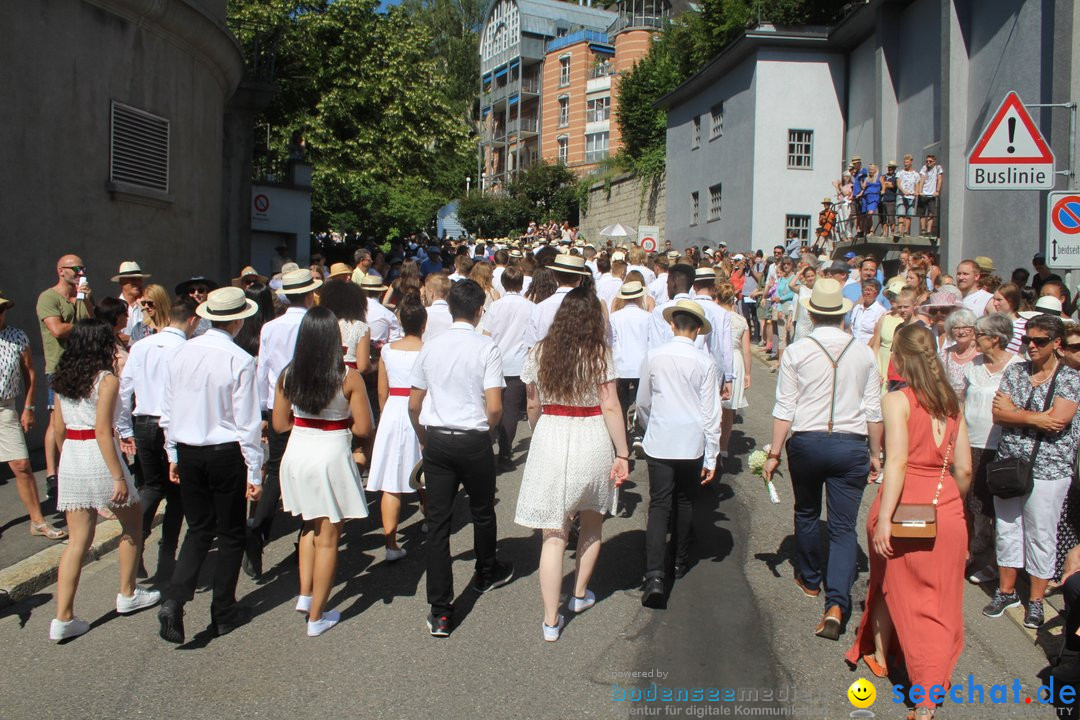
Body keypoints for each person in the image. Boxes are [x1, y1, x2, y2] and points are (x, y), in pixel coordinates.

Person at [845, 323, 971, 717]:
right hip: (945, 506)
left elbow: (896, 460)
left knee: (897, 590)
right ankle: (889, 657)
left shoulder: (897, 400)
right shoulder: (952, 402)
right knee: (939, 601)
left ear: (897, 358)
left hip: (902, 506)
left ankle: (921, 692)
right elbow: (964, 469)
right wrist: (949, 501)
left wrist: (885, 518)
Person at [763, 279, 883, 640]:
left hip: (807, 442)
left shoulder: (798, 352)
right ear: (843, 316)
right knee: (844, 527)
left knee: (807, 511)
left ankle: (811, 578)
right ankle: (836, 602)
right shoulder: (863, 353)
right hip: (852, 442)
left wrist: (772, 452)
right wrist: (876, 454)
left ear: (812, 314)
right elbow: (873, 409)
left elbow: (785, 406)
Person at [514, 288, 629, 640]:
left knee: (553, 534)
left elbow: (532, 404)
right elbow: (610, 406)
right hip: (591, 434)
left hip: (552, 432)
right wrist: (623, 452)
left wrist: (539, 429)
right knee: (592, 521)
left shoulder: (539, 352)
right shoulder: (599, 354)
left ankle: (551, 620)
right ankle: (578, 594)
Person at [157, 287, 264, 644]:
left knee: (199, 528)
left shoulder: (181, 353)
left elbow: (168, 409)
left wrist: (172, 453)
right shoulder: (239, 359)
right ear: (238, 319)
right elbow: (247, 422)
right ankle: (223, 610)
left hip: (188, 449)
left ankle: (175, 597)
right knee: (231, 532)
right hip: (224, 451)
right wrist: (255, 470)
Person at [408, 280, 514, 637]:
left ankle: (441, 610)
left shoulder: (431, 347)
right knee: (483, 511)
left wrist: (424, 438)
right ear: (480, 310)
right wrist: (488, 430)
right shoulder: (487, 347)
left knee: (438, 524)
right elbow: (495, 407)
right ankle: (486, 573)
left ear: (450, 308)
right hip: (473, 438)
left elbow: (414, 403)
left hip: (437, 439)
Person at [50, 320, 158, 641]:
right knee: (133, 522)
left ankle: (63, 617)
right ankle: (127, 592)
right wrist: (117, 475)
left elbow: (57, 428)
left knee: (77, 541)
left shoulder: (63, 379)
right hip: (100, 454)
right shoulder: (105, 379)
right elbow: (102, 431)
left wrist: (66, 461)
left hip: (71, 453)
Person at [273, 307, 373, 636]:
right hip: (331, 453)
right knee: (329, 538)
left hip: (297, 452)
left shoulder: (288, 374)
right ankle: (317, 616)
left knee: (308, 528)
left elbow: (279, 423)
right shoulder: (348, 377)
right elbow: (363, 426)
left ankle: (305, 594)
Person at [984, 314, 1080, 629]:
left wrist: (1017, 414)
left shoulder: (1070, 378)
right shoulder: (1016, 371)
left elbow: (1060, 420)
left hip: (1049, 469)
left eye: (1039, 341)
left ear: (1056, 344)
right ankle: (1006, 590)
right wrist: (1038, 417)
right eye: (1028, 340)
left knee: (1040, 533)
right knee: (1008, 527)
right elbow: (998, 414)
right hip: (1011, 463)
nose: (1032, 346)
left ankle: (1036, 600)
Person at [637, 300, 721, 608]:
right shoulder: (705, 363)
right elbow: (712, 413)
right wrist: (712, 456)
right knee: (686, 500)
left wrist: (647, 426)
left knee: (659, 504)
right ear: (698, 330)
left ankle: (654, 573)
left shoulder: (654, 356)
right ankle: (679, 560)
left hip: (660, 438)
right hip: (690, 440)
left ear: (673, 324)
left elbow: (643, 402)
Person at [117, 297, 200, 582]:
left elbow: (124, 389)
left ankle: (135, 544)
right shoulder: (187, 349)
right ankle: (167, 555)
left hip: (143, 421)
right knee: (176, 493)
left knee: (151, 485)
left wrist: (125, 428)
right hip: (172, 423)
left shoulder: (140, 346)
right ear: (192, 320)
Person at [249, 268, 323, 577]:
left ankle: (257, 530)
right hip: (308, 402)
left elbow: (262, 368)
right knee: (311, 470)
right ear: (308, 294)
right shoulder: (315, 323)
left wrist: (264, 411)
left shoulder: (270, 327)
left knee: (277, 471)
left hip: (275, 401)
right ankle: (305, 536)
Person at [962, 313, 1023, 585]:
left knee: (1000, 511)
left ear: (996, 339)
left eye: (980, 334)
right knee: (973, 504)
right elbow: (964, 402)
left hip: (1002, 447)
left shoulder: (1019, 367)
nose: (975, 338)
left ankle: (1000, 566)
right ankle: (972, 552)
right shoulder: (974, 366)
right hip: (971, 443)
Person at [0, 291, 65, 539]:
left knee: (21, 464)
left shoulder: (17, 336)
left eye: (1, 309)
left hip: (5, 407)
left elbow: (30, 373)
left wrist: (29, 408)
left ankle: (37, 521)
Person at [367, 295, 427, 560]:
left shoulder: (388, 350)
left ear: (401, 321)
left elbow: (382, 391)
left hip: (393, 409)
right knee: (424, 471)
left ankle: (390, 543)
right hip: (420, 409)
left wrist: (386, 415)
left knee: (391, 479)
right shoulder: (428, 349)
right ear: (424, 323)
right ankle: (430, 522)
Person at [37, 254, 95, 503]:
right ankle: (55, 474)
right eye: (76, 268)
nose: (81, 271)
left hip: (81, 365)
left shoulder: (80, 297)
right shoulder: (48, 297)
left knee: (79, 419)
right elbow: (57, 329)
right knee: (57, 422)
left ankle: (76, 471)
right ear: (61, 271)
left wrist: (86, 299)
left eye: (83, 267)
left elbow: (91, 323)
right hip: (59, 368)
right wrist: (81, 327)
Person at [481, 267, 532, 469]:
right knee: (510, 409)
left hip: (495, 360)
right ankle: (504, 451)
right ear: (521, 284)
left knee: (490, 406)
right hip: (518, 363)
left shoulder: (495, 306)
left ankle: (486, 448)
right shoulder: (530, 307)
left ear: (503, 283)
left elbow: (486, 335)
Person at [609, 281, 652, 453]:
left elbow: (611, 342)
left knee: (621, 402)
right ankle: (638, 433)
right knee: (641, 401)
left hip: (620, 364)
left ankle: (620, 436)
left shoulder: (615, 317)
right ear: (640, 296)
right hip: (642, 364)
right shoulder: (648, 316)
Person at [524, 255, 590, 347]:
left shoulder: (540, 308)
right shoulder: (590, 307)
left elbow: (531, 345)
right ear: (580, 278)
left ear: (555, 277)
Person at [717, 282, 750, 458]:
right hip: (736, 359)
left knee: (715, 405)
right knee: (729, 409)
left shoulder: (715, 316)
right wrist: (748, 373)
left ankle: (713, 444)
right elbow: (746, 350)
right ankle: (723, 447)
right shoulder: (740, 320)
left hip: (719, 357)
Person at [318, 280, 370, 373]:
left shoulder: (320, 324)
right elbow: (363, 367)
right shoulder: (359, 327)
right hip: (348, 380)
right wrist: (377, 365)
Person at [990, 282, 1027, 354]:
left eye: (999, 300)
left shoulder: (1024, 326)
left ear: (1011, 301)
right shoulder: (991, 322)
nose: (995, 303)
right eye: (994, 299)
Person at [850, 280, 887, 344]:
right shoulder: (857, 308)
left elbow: (877, 335)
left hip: (868, 348)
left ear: (877, 293)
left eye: (871, 290)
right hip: (853, 347)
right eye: (866, 290)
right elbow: (851, 329)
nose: (868, 293)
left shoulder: (881, 311)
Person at [421, 273, 453, 342]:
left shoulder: (424, 313)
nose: (425, 294)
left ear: (432, 293)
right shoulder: (454, 314)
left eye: (426, 291)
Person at [918, 154, 944, 237]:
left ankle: (929, 231)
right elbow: (921, 179)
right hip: (923, 194)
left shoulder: (938, 168)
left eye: (930, 161)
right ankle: (923, 230)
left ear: (934, 162)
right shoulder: (924, 168)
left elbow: (939, 179)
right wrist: (920, 191)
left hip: (931, 194)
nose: (928, 163)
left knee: (931, 213)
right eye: (927, 161)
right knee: (922, 213)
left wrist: (937, 191)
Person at [895, 155, 920, 236]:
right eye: (904, 162)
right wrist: (903, 191)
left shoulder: (915, 174)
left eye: (907, 162)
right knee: (901, 212)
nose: (905, 164)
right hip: (902, 196)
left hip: (911, 196)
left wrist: (916, 192)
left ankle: (906, 231)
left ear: (911, 162)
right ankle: (899, 230)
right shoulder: (900, 173)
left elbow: (917, 184)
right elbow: (898, 183)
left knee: (909, 214)